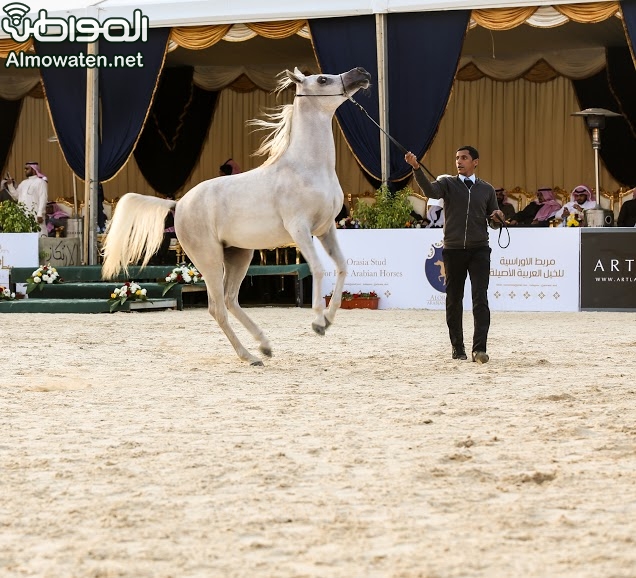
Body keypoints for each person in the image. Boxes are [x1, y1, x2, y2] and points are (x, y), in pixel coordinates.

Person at [405, 146, 504, 364]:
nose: (459, 161)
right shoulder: (447, 184)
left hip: (480, 250)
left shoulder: (486, 189)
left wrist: (497, 218)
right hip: (453, 250)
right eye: (457, 158)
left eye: (464, 158)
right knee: (454, 300)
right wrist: (416, 168)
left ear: (475, 162)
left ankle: (479, 349)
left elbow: (493, 223)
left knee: (480, 299)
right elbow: (430, 191)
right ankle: (457, 348)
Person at [6, 161, 48, 236]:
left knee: (38, 237)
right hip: (23, 216)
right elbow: (16, 197)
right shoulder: (23, 183)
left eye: (27, 169)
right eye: (25, 169)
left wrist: (40, 214)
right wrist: (10, 185)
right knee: (25, 238)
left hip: (35, 216)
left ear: (33, 170)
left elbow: (43, 198)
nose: (25, 170)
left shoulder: (41, 182)